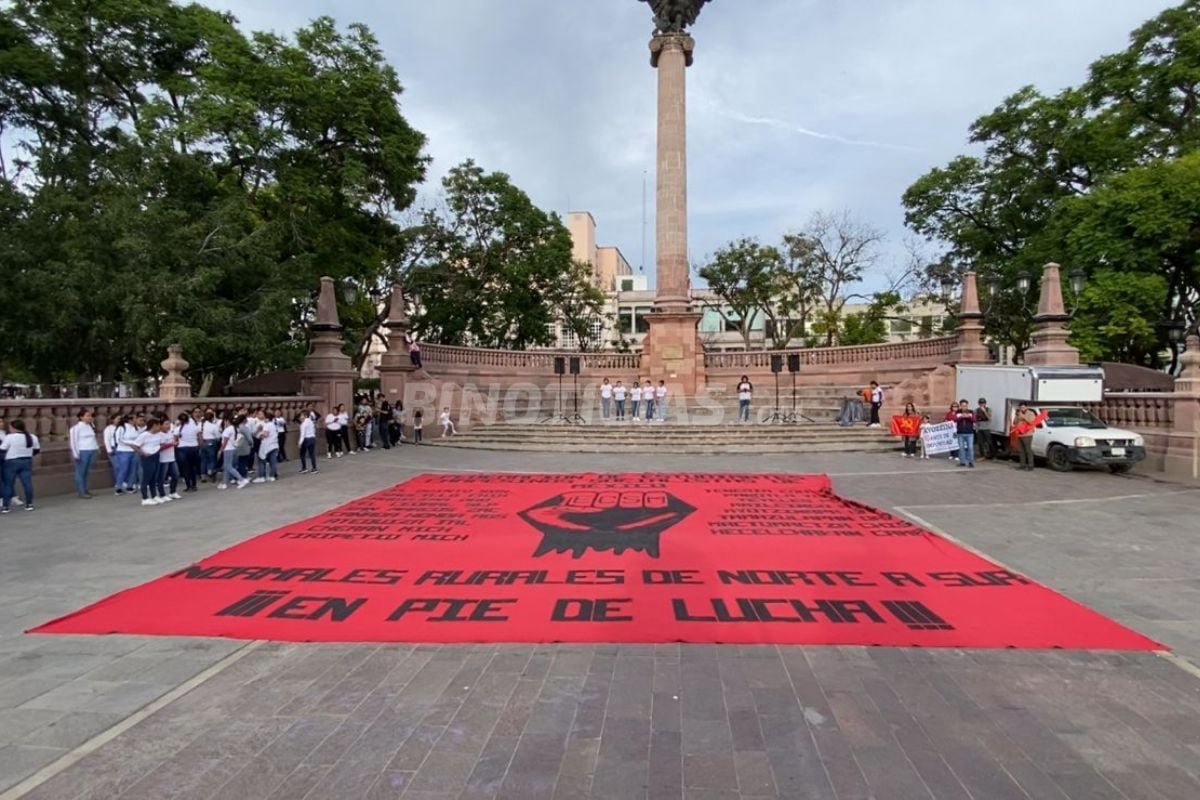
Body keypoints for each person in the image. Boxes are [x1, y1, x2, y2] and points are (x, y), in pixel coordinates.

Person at [1, 419, 39, 513]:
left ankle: (6, 506)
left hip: (12, 461)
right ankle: (29, 504)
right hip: (27, 461)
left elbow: (2, 449)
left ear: (14, 428)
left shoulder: (10, 437)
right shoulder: (32, 436)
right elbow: (36, 450)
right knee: (27, 483)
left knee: (8, 484)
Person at [131, 417, 166, 506]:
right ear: (154, 426)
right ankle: (145, 498)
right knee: (147, 477)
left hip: (156, 455)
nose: (160, 428)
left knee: (154, 477)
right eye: (158, 426)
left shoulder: (159, 434)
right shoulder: (144, 435)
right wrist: (143, 453)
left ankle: (154, 496)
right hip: (147, 457)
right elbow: (135, 445)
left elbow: (162, 443)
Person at [69, 409, 99, 499]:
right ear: (81, 417)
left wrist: (97, 448)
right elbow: (73, 442)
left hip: (92, 449)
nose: (90, 418)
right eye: (87, 416)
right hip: (83, 451)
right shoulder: (76, 428)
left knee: (87, 472)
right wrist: (76, 454)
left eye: (90, 416)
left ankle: (86, 489)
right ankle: (81, 491)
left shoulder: (90, 426)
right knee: (80, 472)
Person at [219, 414, 250, 490]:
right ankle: (224, 482)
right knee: (227, 466)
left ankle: (242, 479)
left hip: (228, 449)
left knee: (228, 466)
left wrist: (220, 450)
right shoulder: (234, 428)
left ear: (227, 421)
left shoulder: (228, 429)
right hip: (233, 449)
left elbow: (225, 441)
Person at [176, 412, 201, 493]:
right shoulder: (195, 427)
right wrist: (199, 445)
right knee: (193, 467)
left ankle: (188, 486)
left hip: (183, 448)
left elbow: (175, 438)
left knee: (185, 468)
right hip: (194, 447)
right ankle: (194, 485)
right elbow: (199, 437)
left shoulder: (178, 428)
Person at [114, 415, 139, 495]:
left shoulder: (135, 428)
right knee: (123, 469)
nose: (136, 420)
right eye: (135, 418)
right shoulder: (122, 427)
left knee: (132, 469)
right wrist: (131, 443)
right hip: (123, 450)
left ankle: (130, 486)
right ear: (130, 420)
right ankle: (118, 487)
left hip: (134, 451)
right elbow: (119, 439)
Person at [158, 419, 181, 500]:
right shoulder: (159, 435)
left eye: (169, 424)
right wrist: (171, 444)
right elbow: (160, 447)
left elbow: (173, 443)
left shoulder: (170, 434)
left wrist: (175, 444)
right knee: (162, 477)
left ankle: (173, 492)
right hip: (163, 459)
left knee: (176, 475)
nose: (168, 426)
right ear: (160, 425)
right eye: (166, 424)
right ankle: (162, 494)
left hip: (172, 458)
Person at [253, 410, 279, 482]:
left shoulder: (267, 425)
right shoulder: (273, 425)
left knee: (261, 460)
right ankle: (272, 476)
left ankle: (262, 476)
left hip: (267, 445)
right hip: (274, 445)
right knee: (273, 462)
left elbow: (266, 434)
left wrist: (260, 434)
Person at [1013, 402, 1038, 472]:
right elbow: (1015, 422)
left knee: (1028, 450)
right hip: (1020, 433)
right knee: (1021, 450)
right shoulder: (1018, 413)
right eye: (1021, 407)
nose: (1022, 409)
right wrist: (1017, 416)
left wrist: (1023, 417)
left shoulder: (1030, 413)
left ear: (1026, 407)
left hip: (1027, 434)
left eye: (1023, 407)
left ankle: (1030, 465)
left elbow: (1032, 422)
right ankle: (1022, 465)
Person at [954, 399, 977, 468]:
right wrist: (961, 417)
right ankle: (962, 462)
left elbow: (975, 419)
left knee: (970, 447)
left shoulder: (971, 412)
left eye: (965, 406)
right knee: (961, 448)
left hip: (969, 432)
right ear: (960, 406)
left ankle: (971, 462)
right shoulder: (957, 412)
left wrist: (969, 417)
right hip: (960, 432)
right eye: (963, 406)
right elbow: (954, 419)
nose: (964, 407)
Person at [200, 410, 221, 482]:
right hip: (211, 442)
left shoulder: (201, 425)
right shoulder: (214, 426)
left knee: (203, 460)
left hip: (203, 442)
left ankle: (203, 476)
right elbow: (218, 436)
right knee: (212, 459)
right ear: (212, 418)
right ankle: (210, 471)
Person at [102, 414, 121, 489]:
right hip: (113, 448)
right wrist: (109, 450)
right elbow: (107, 440)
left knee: (123, 466)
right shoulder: (108, 429)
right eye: (118, 419)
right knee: (117, 466)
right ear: (113, 420)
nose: (119, 420)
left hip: (122, 448)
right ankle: (118, 482)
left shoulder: (122, 428)